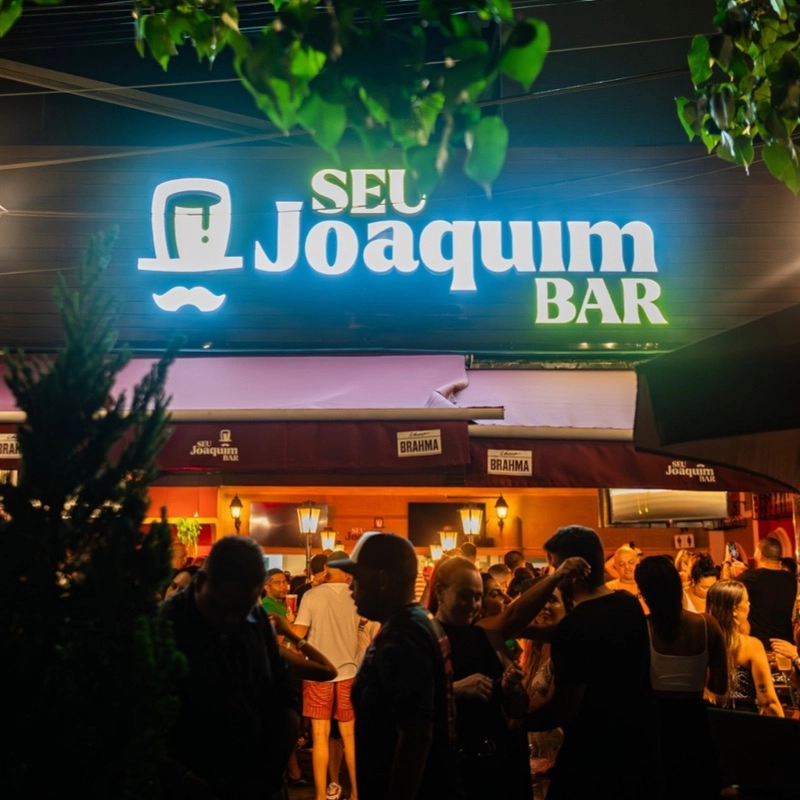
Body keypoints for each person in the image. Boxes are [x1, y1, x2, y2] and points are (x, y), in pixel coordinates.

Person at [526, 525, 662, 800]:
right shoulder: (628, 605)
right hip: (638, 748)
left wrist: (518, 721)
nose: (553, 576)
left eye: (555, 568)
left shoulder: (573, 627)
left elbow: (565, 707)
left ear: (572, 572)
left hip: (594, 756)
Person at [160, 535, 300, 800]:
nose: (232, 620)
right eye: (222, 608)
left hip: (258, 779)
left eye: (241, 610)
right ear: (201, 583)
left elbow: (283, 693)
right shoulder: (166, 625)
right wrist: (183, 780)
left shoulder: (255, 616)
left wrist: (274, 765)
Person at [337, 532, 464, 800]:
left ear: (382, 579)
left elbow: (415, 735)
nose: (350, 587)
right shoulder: (416, 621)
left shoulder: (402, 636)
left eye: (357, 578)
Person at [431, 557, 531, 800]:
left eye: (478, 597)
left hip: (494, 763)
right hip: (451, 766)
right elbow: (405, 699)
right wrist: (455, 690)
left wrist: (511, 688)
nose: (473, 604)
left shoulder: (486, 637)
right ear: (440, 592)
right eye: (465, 595)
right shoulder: (426, 639)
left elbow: (517, 708)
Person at [635, 555, 728, 800]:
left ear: (645, 594)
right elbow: (719, 685)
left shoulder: (641, 629)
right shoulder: (708, 625)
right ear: (679, 586)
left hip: (656, 726)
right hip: (696, 723)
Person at [293, 550, 361, 800]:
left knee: (320, 736)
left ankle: (321, 795)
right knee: (350, 737)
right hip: (349, 672)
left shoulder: (311, 596)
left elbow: (298, 633)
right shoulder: (356, 597)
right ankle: (355, 793)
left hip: (318, 672)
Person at [706, 579, 784, 717]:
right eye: (746, 601)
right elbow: (768, 702)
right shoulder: (751, 645)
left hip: (707, 717)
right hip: (742, 720)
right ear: (735, 609)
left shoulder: (703, 641)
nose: (749, 604)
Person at [735, 536, 797, 650]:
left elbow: (724, 590)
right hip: (786, 645)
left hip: (759, 645)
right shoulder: (791, 579)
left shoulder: (748, 578)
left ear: (759, 554)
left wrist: (728, 564)